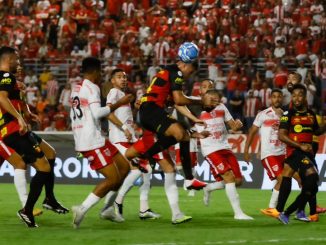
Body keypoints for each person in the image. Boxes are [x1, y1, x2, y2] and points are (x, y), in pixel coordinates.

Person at [70, 57, 133, 229]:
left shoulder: (76, 88)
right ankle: (82, 209)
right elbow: (98, 113)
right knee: (113, 178)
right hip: (91, 140)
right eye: (100, 72)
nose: (101, 76)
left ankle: (107, 209)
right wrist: (119, 103)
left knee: (124, 167)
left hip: (92, 136)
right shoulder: (93, 87)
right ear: (95, 72)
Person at [0, 46, 57, 228]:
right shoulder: (6, 77)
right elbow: (2, 98)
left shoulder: (10, 80)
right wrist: (19, 117)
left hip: (15, 127)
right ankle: (27, 208)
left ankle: (45, 200)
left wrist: (26, 113)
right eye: (16, 58)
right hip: (9, 129)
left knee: (47, 156)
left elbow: (15, 101)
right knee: (29, 164)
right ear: (8, 59)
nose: (19, 61)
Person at [138, 42, 206, 190]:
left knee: (183, 134)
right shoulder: (178, 73)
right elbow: (179, 99)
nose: (189, 76)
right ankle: (144, 157)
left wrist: (194, 119)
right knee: (180, 132)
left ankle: (189, 179)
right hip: (151, 110)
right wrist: (201, 101)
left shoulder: (168, 71)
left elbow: (177, 103)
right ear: (187, 65)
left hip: (149, 111)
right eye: (190, 72)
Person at [102, 68, 160, 221]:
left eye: (125, 77)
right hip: (119, 140)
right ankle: (118, 201)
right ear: (113, 81)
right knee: (139, 169)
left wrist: (135, 107)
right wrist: (123, 128)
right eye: (119, 77)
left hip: (128, 139)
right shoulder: (114, 93)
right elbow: (108, 113)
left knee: (146, 169)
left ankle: (143, 209)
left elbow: (124, 116)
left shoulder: (124, 96)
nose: (123, 79)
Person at [196, 89, 253, 220]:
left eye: (217, 99)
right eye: (212, 99)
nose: (216, 101)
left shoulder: (222, 107)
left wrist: (237, 125)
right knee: (228, 176)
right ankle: (238, 213)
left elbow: (232, 126)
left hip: (224, 146)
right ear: (206, 99)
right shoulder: (200, 109)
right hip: (210, 149)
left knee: (238, 181)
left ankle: (209, 188)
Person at [273, 84, 325, 224]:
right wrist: (299, 146)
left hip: (307, 153)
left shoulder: (310, 113)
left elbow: (316, 132)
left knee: (312, 186)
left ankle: (290, 212)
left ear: (305, 96)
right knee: (312, 176)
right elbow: (282, 136)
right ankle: (289, 212)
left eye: (299, 95)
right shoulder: (288, 114)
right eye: (294, 95)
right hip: (295, 151)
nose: (296, 98)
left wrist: (324, 125)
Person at [244, 89, 286, 214]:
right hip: (269, 154)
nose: (277, 99)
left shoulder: (285, 115)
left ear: (282, 98)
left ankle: (297, 209)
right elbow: (252, 132)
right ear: (270, 99)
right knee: (282, 179)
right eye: (274, 97)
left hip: (283, 153)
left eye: (279, 97)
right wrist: (247, 150)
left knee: (293, 180)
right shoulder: (263, 114)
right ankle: (272, 208)